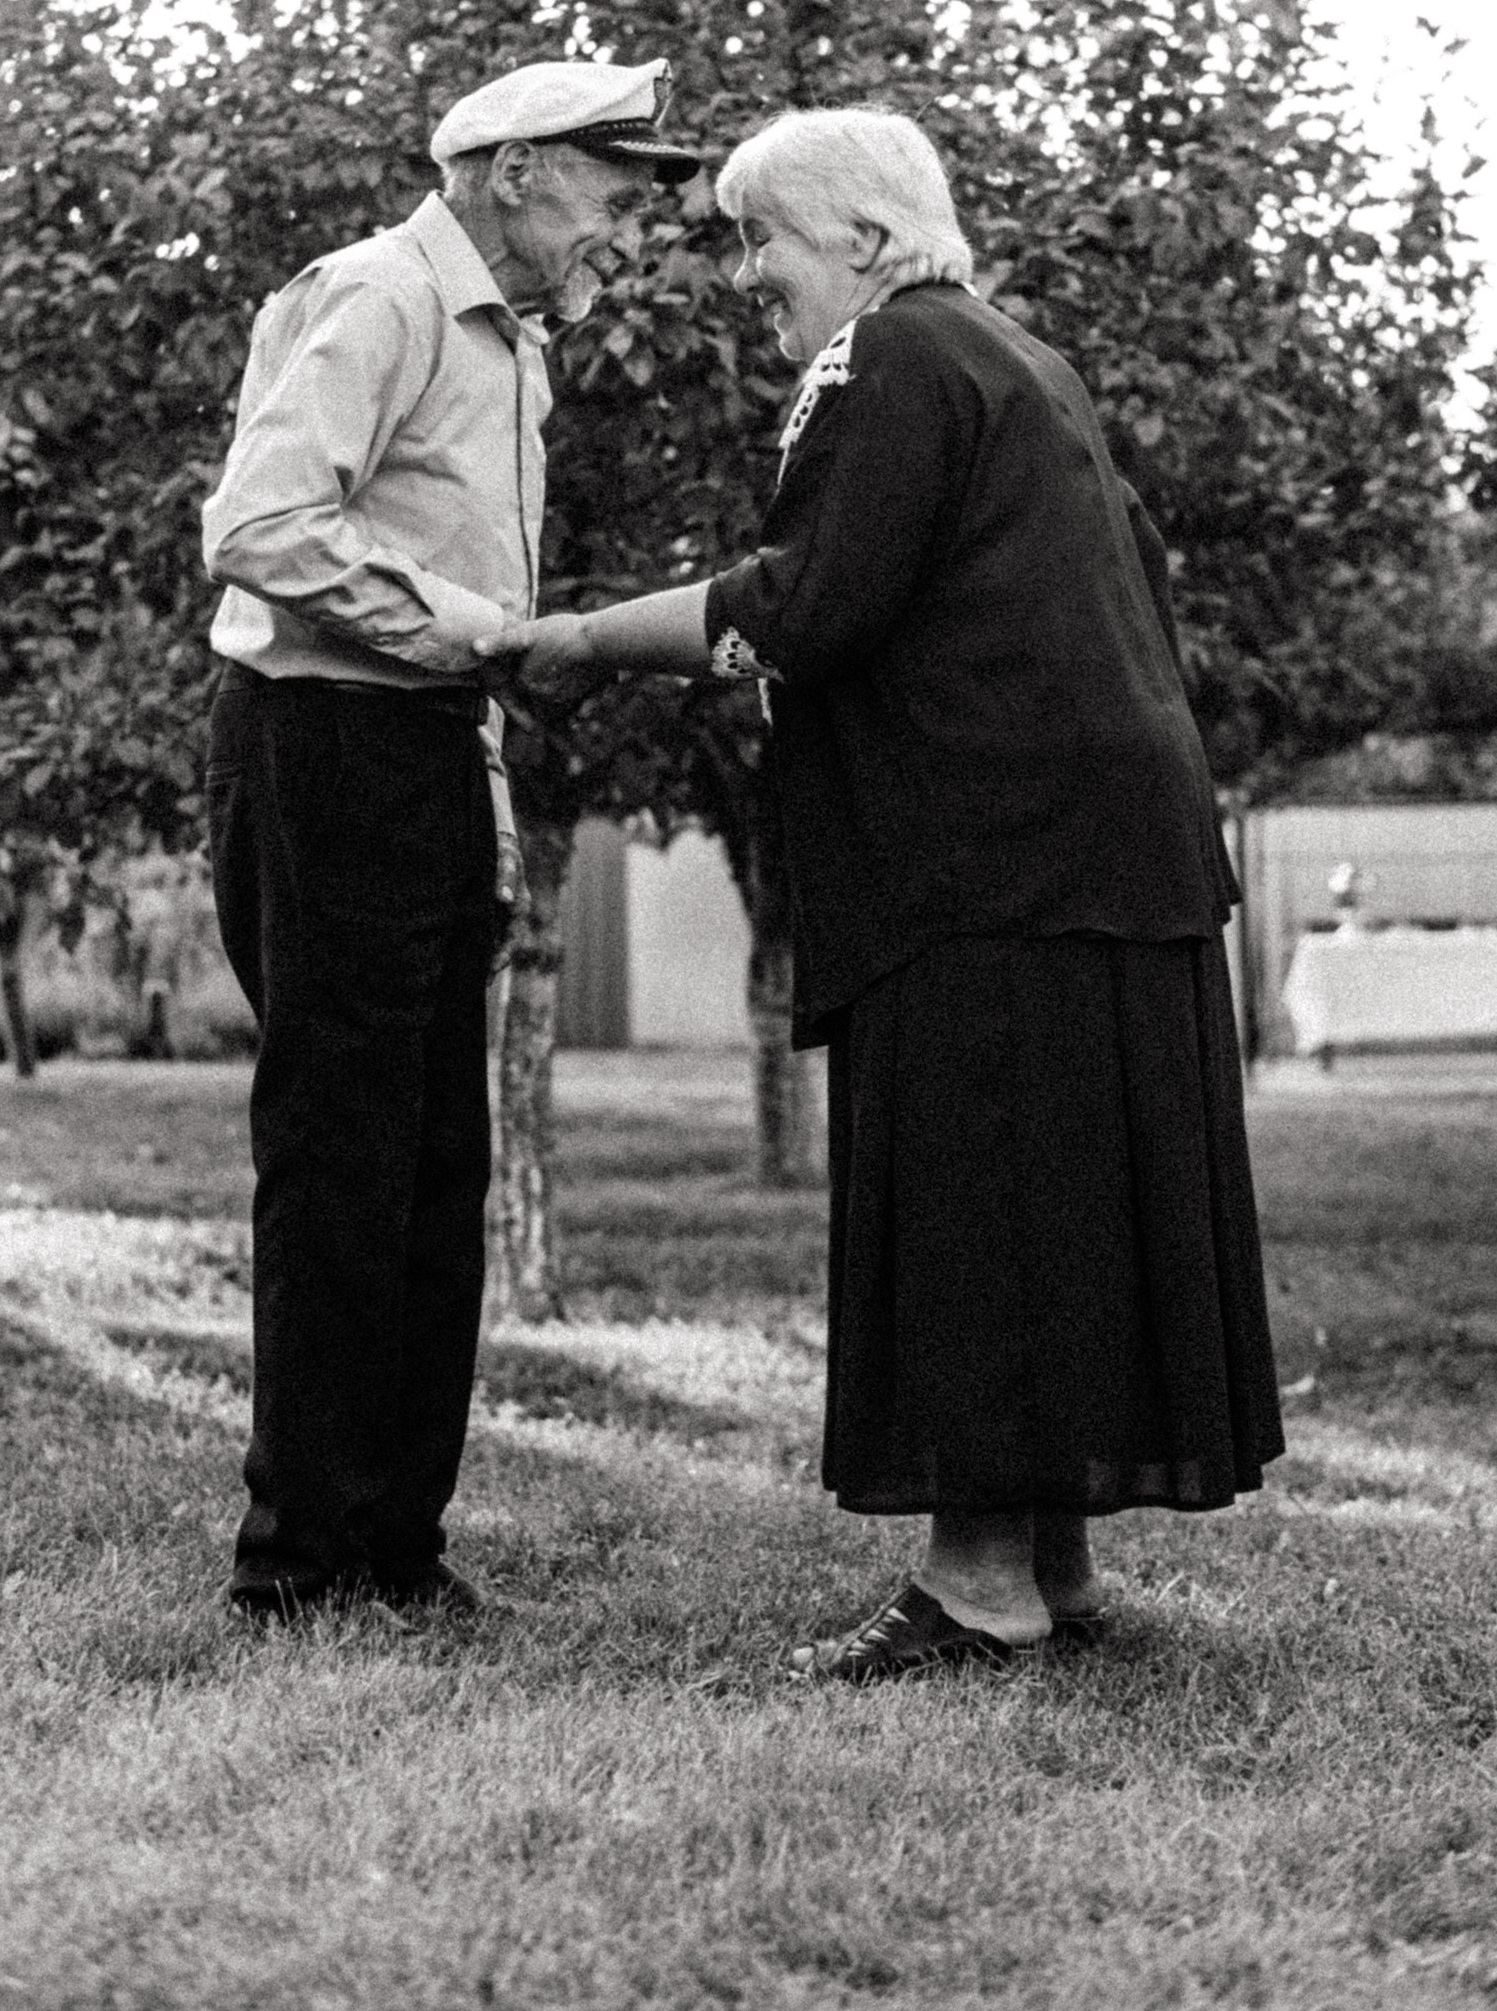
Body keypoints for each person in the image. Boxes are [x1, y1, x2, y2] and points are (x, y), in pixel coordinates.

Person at [493, 106, 1283, 1679]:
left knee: (981, 1205)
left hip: (990, 869)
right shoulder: (1019, 361)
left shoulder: (890, 359)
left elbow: (811, 601)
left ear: (859, 238)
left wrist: (581, 639)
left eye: (756, 236)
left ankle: (980, 1590)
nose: (743, 276)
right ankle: (1048, 1573)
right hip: (1103, 857)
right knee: (1061, 1211)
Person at [201, 57, 700, 1619]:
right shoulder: (382, 296)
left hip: (421, 750)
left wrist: (471, 687)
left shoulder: (512, 342)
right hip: (325, 749)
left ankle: (396, 1551)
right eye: (613, 199)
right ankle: (298, 1566)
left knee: (433, 1167)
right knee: (342, 1162)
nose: (625, 235)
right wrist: (477, 631)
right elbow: (263, 525)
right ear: (514, 173)